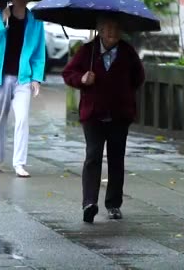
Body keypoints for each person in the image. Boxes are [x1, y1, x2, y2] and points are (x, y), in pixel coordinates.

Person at [62, 17, 144, 223]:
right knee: (93, 156)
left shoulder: (127, 52)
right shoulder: (87, 51)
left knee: (117, 159)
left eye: (116, 28)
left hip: (120, 114)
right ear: (99, 29)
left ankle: (113, 204)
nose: (112, 33)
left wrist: (122, 91)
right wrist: (82, 79)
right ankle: (89, 202)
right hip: (93, 114)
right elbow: (68, 73)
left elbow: (138, 77)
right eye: (108, 28)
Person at [0, 0, 46, 177]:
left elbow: (38, 52)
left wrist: (36, 78)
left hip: (22, 78)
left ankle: (19, 163)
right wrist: (3, 21)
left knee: (22, 119)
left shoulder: (35, 22)